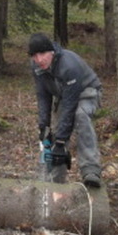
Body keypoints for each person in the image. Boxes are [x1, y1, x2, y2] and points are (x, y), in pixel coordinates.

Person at [28, 32, 102, 187]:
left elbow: (70, 105)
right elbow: (43, 96)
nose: (39, 59)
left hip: (87, 92)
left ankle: (91, 170)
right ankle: (56, 183)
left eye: (42, 54)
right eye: (34, 55)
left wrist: (61, 141)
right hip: (64, 95)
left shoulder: (69, 65)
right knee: (56, 133)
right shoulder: (37, 67)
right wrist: (44, 127)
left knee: (80, 116)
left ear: (51, 52)